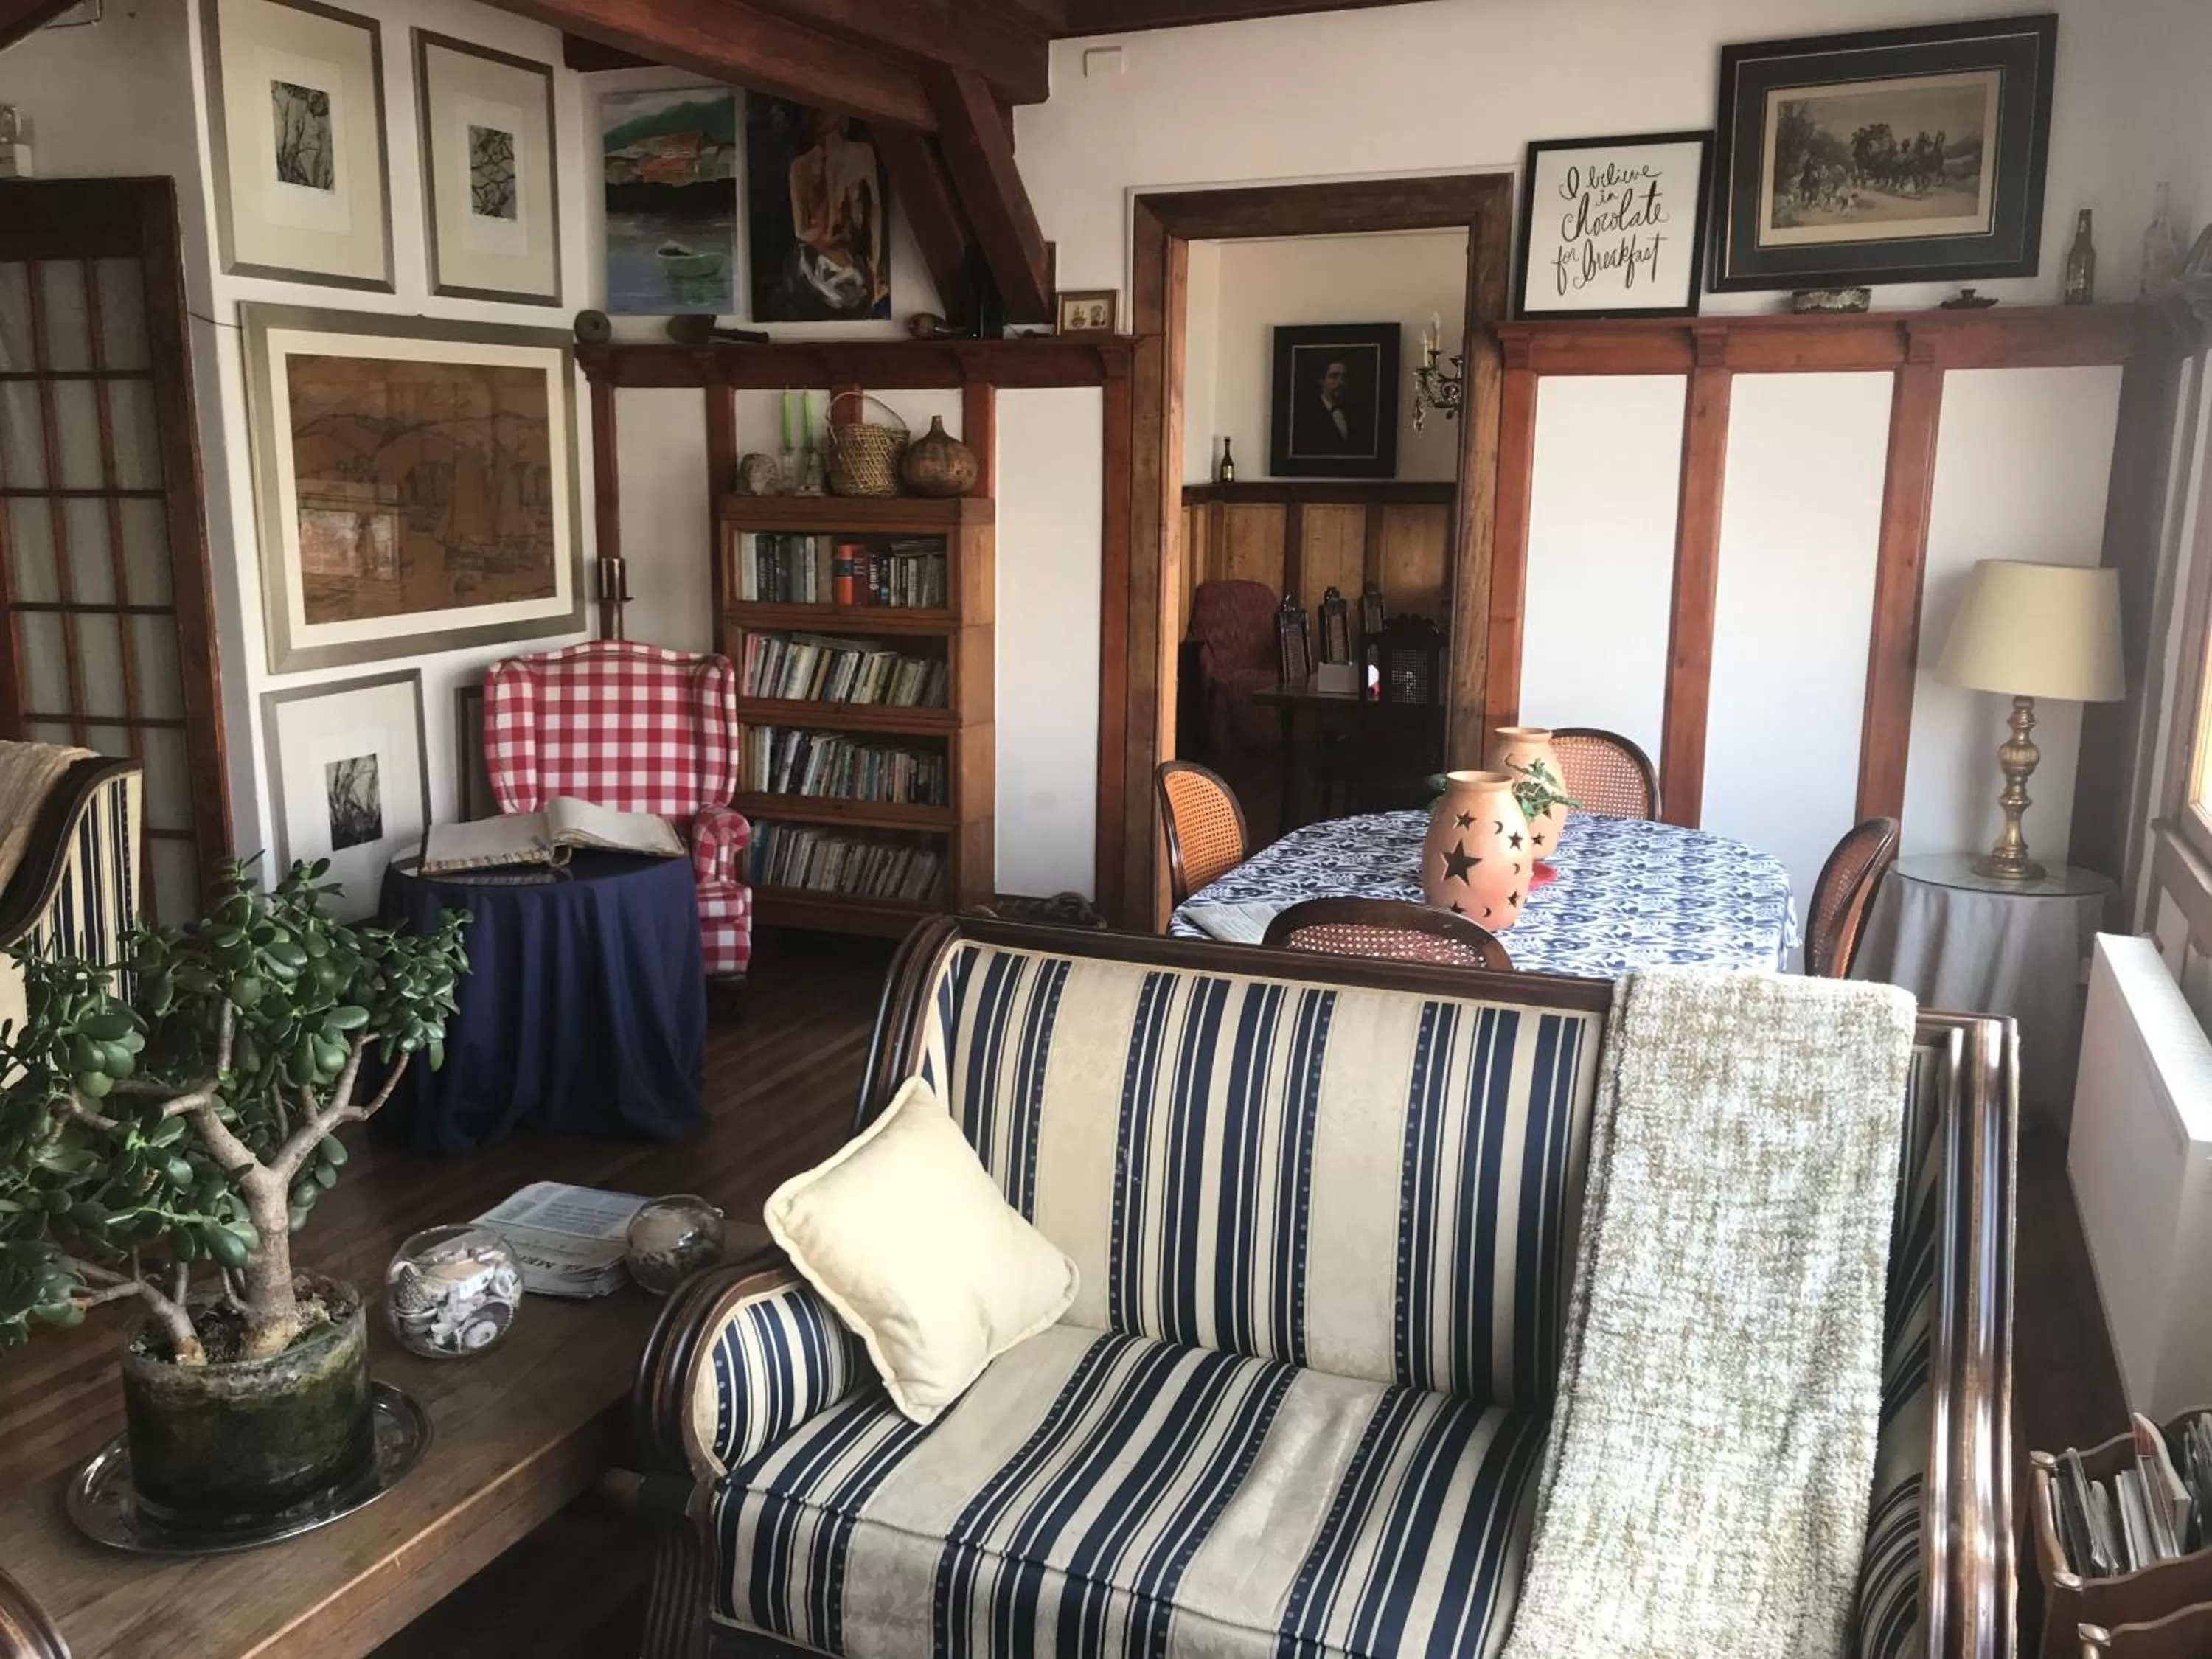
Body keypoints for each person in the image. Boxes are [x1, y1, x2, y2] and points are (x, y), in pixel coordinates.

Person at [1294, 354, 1370, 456]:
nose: (1341, 382)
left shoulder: (1359, 414)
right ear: (1322, 381)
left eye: (1344, 377)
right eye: (1334, 376)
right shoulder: (1305, 416)